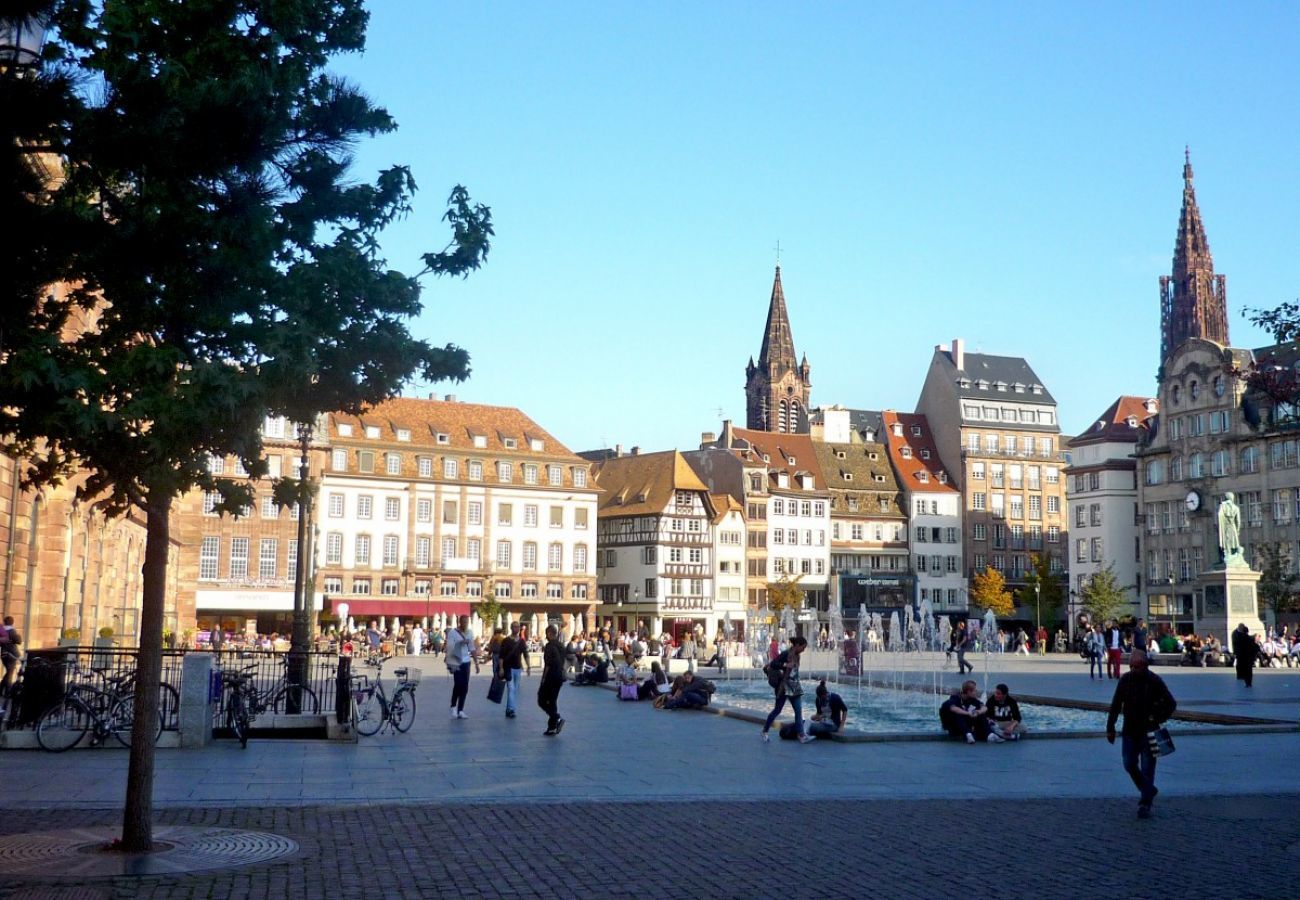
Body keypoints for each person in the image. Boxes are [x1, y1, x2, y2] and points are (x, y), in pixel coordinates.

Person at [1107, 649, 1177, 818]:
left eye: (1136, 667)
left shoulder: (1154, 680)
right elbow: (1116, 704)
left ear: (1145, 666)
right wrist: (1110, 726)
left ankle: (1145, 802)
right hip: (1130, 729)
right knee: (1129, 763)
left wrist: (1157, 716)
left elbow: (1171, 703)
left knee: (1148, 767)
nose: (1133, 670)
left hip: (1149, 730)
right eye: (1131, 666)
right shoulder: (1126, 680)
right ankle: (1148, 789)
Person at [761, 635, 812, 744]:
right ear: (797, 645)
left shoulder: (797, 656)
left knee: (798, 711)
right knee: (777, 710)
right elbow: (774, 663)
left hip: (795, 687)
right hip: (783, 687)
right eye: (803, 647)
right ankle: (765, 731)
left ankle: (801, 735)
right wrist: (785, 665)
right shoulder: (786, 654)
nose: (803, 650)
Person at [538, 624, 565, 736]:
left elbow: (548, 664)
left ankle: (556, 718)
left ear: (550, 633)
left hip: (551, 677)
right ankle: (552, 727)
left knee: (541, 700)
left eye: (546, 634)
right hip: (559, 677)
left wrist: (543, 679)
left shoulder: (549, 646)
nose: (546, 636)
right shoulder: (561, 645)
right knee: (552, 701)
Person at [445, 615, 474, 719]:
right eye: (464, 622)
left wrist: (477, 662)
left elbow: (472, 647)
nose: (465, 624)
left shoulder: (470, 632)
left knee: (465, 686)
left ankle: (460, 709)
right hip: (456, 661)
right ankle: (453, 706)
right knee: (458, 684)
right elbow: (449, 646)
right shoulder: (453, 633)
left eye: (467, 622)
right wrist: (460, 642)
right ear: (460, 622)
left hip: (466, 662)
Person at [499, 622, 530, 718]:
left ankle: (508, 709)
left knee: (514, 689)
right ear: (511, 628)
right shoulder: (506, 641)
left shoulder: (521, 641)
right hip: (508, 668)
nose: (516, 629)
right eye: (514, 627)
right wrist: (501, 668)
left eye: (518, 627)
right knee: (511, 688)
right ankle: (511, 709)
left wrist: (529, 666)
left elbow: (525, 654)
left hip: (518, 668)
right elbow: (501, 656)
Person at [0, 615, 21, 697]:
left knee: (9, 672)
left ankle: (1, 689)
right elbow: (19, 641)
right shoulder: (12, 631)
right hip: (11, 654)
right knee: (10, 673)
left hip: (4, 654)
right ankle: (8, 692)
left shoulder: (2, 631)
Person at [1231, 622, 1257, 687]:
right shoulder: (1248, 638)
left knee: (1242, 666)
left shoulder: (1241, 637)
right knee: (1248, 669)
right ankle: (1247, 681)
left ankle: (1244, 679)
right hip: (1246, 655)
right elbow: (1255, 647)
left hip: (1242, 654)